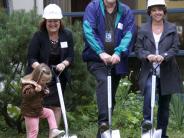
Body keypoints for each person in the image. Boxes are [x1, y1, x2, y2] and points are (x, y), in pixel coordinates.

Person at [82, 0, 135, 137]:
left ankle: (103, 133)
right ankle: (103, 122)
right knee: (104, 82)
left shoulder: (125, 11)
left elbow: (129, 33)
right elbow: (88, 30)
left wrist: (118, 52)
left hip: (117, 61)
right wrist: (100, 52)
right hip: (97, 59)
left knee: (110, 96)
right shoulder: (93, 7)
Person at [135, 0, 183, 137]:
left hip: (167, 71)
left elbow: (175, 48)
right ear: (149, 12)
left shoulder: (171, 28)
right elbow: (138, 49)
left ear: (164, 11)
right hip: (149, 70)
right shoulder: (143, 29)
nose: (158, 12)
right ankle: (147, 130)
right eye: (154, 10)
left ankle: (162, 134)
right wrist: (147, 55)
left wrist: (165, 55)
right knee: (149, 94)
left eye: (160, 9)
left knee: (164, 106)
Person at [26, 4, 74, 126]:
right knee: (35, 107)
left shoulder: (67, 35)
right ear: (45, 21)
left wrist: (64, 64)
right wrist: (42, 69)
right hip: (40, 78)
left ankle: (54, 132)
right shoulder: (39, 36)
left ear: (60, 21)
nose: (53, 24)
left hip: (58, 77)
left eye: (56, 21)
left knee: (57, 106)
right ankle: (33, 131)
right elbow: (31, 58)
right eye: (50, 21)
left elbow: (70, 56)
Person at [21, 63, 64, 138]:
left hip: (38, 109)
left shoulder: (40, 83)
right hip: (30, 112)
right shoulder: (28, 83)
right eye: (43, 80)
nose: (44, 82)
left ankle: (53, 130)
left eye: (46, 81)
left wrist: (45, 91)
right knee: (34, 131)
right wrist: (35, 91)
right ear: (37, 76)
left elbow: (42, 92)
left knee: (50, 112)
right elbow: (26, 95)